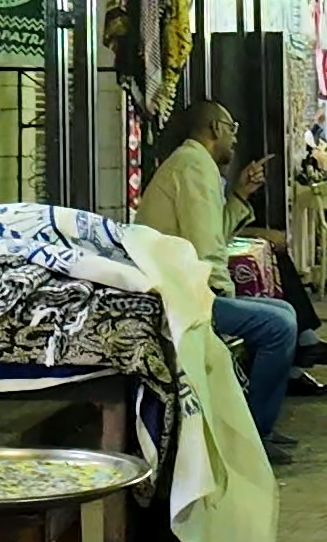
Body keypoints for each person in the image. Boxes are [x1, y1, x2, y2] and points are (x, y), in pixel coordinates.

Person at [134, 100, 313, 464]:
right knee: (278, 326)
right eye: (232, 129)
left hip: (183, 288)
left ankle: (254, 426)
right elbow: (206, 249)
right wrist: (220, 296)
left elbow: (213, 234)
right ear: (215, 128)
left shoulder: (194, 163)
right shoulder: (193, 165)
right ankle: (252, 436)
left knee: (283, 312)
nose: (235, 139)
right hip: (176, 298)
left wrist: (240, 195)